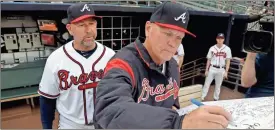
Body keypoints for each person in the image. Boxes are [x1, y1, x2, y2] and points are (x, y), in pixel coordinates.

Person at [94, 2, 232, 129]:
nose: (173, 43)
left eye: (179, 37)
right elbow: (109, 109)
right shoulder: (124, 63)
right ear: (148, 29)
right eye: (167, 34)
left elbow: (172, 106)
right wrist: (177, 123)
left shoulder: (173, 65)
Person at [38, 3, 115, 129]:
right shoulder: (56, 59)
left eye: (91, 23)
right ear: (69, 28)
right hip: (71, 125)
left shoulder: (110, 56)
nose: (88, 30)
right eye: (81, 25)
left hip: (104, 123)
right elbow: (47, 99)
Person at [201, 33, 232, 101]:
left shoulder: (227, 49)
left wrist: (226, 72)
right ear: (216, 39)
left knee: (218, 86)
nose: (220, 40)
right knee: (207, 84)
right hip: (212, 68)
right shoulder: (212, 48)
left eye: (221, 38)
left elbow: (228, 61)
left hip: (221, 69)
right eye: (218, 38)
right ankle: (202, 97)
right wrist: (206, 70)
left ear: (223, 39)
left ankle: (216, 99)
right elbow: (209, 60)